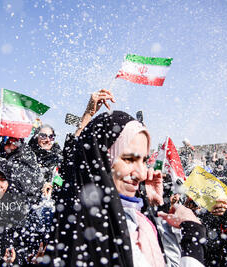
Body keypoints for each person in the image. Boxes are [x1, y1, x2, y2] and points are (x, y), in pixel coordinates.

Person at [44, 91, 206, 266]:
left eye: (144, 160)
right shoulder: (91, 229)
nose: (143, 174)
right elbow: (75, 165)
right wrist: (193, 234)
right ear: (101, 160)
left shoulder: (130, 218)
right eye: (129, 159)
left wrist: (153, 208)